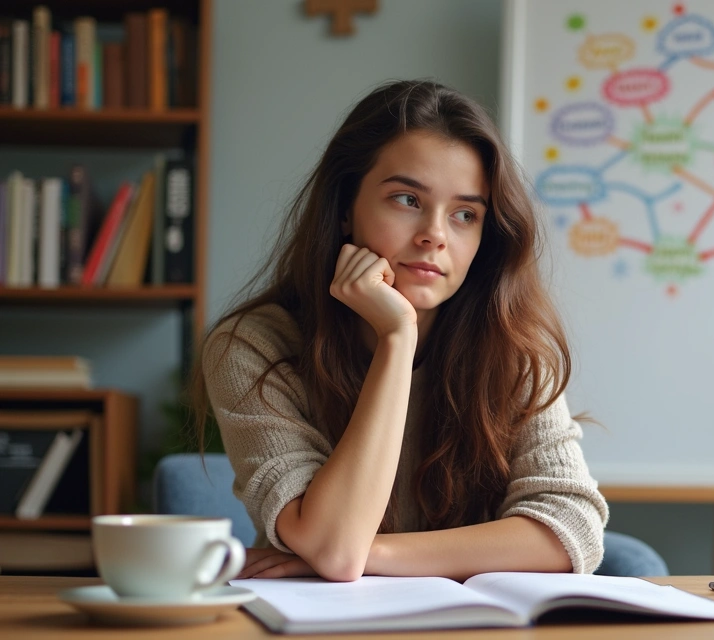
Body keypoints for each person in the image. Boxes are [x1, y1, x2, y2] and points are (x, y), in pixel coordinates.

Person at [193, 79, 609, 582]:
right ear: (346, 208)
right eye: (407, 199)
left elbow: (573, 527)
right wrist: (397, 338)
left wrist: (373, 554)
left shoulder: (512, 347)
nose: (435, 234)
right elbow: (334, 546)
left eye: (465, 214)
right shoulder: (253, 345)